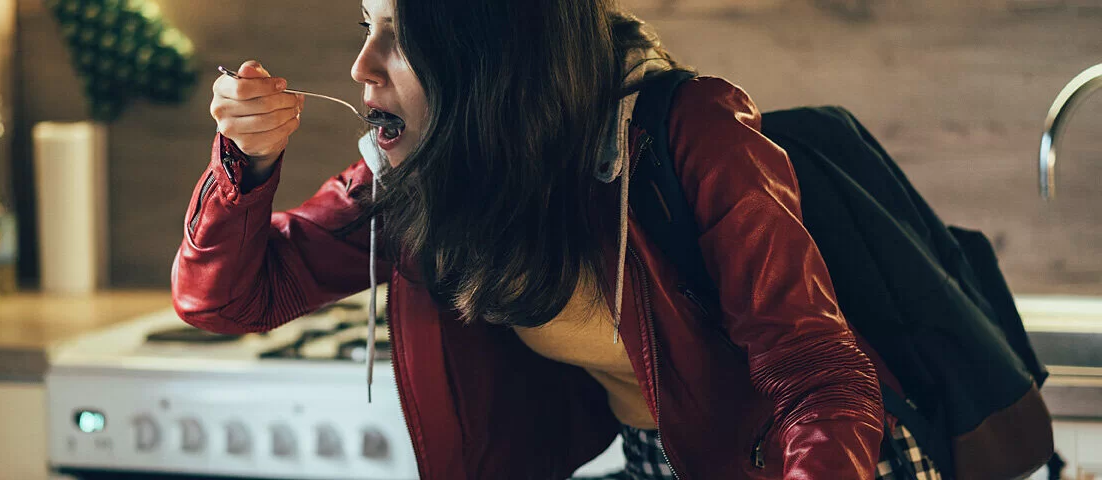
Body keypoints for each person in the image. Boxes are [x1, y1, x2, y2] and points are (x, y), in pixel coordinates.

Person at [176, 0, 942, 478]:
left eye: (399, 36)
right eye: (366, 26)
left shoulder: (689, 132)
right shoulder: (421, 177)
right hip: (659, 458)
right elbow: (226, 298)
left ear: (487, 54)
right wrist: (243, 166)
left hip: (825, 461)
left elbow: (817, 379)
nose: (361, 67)